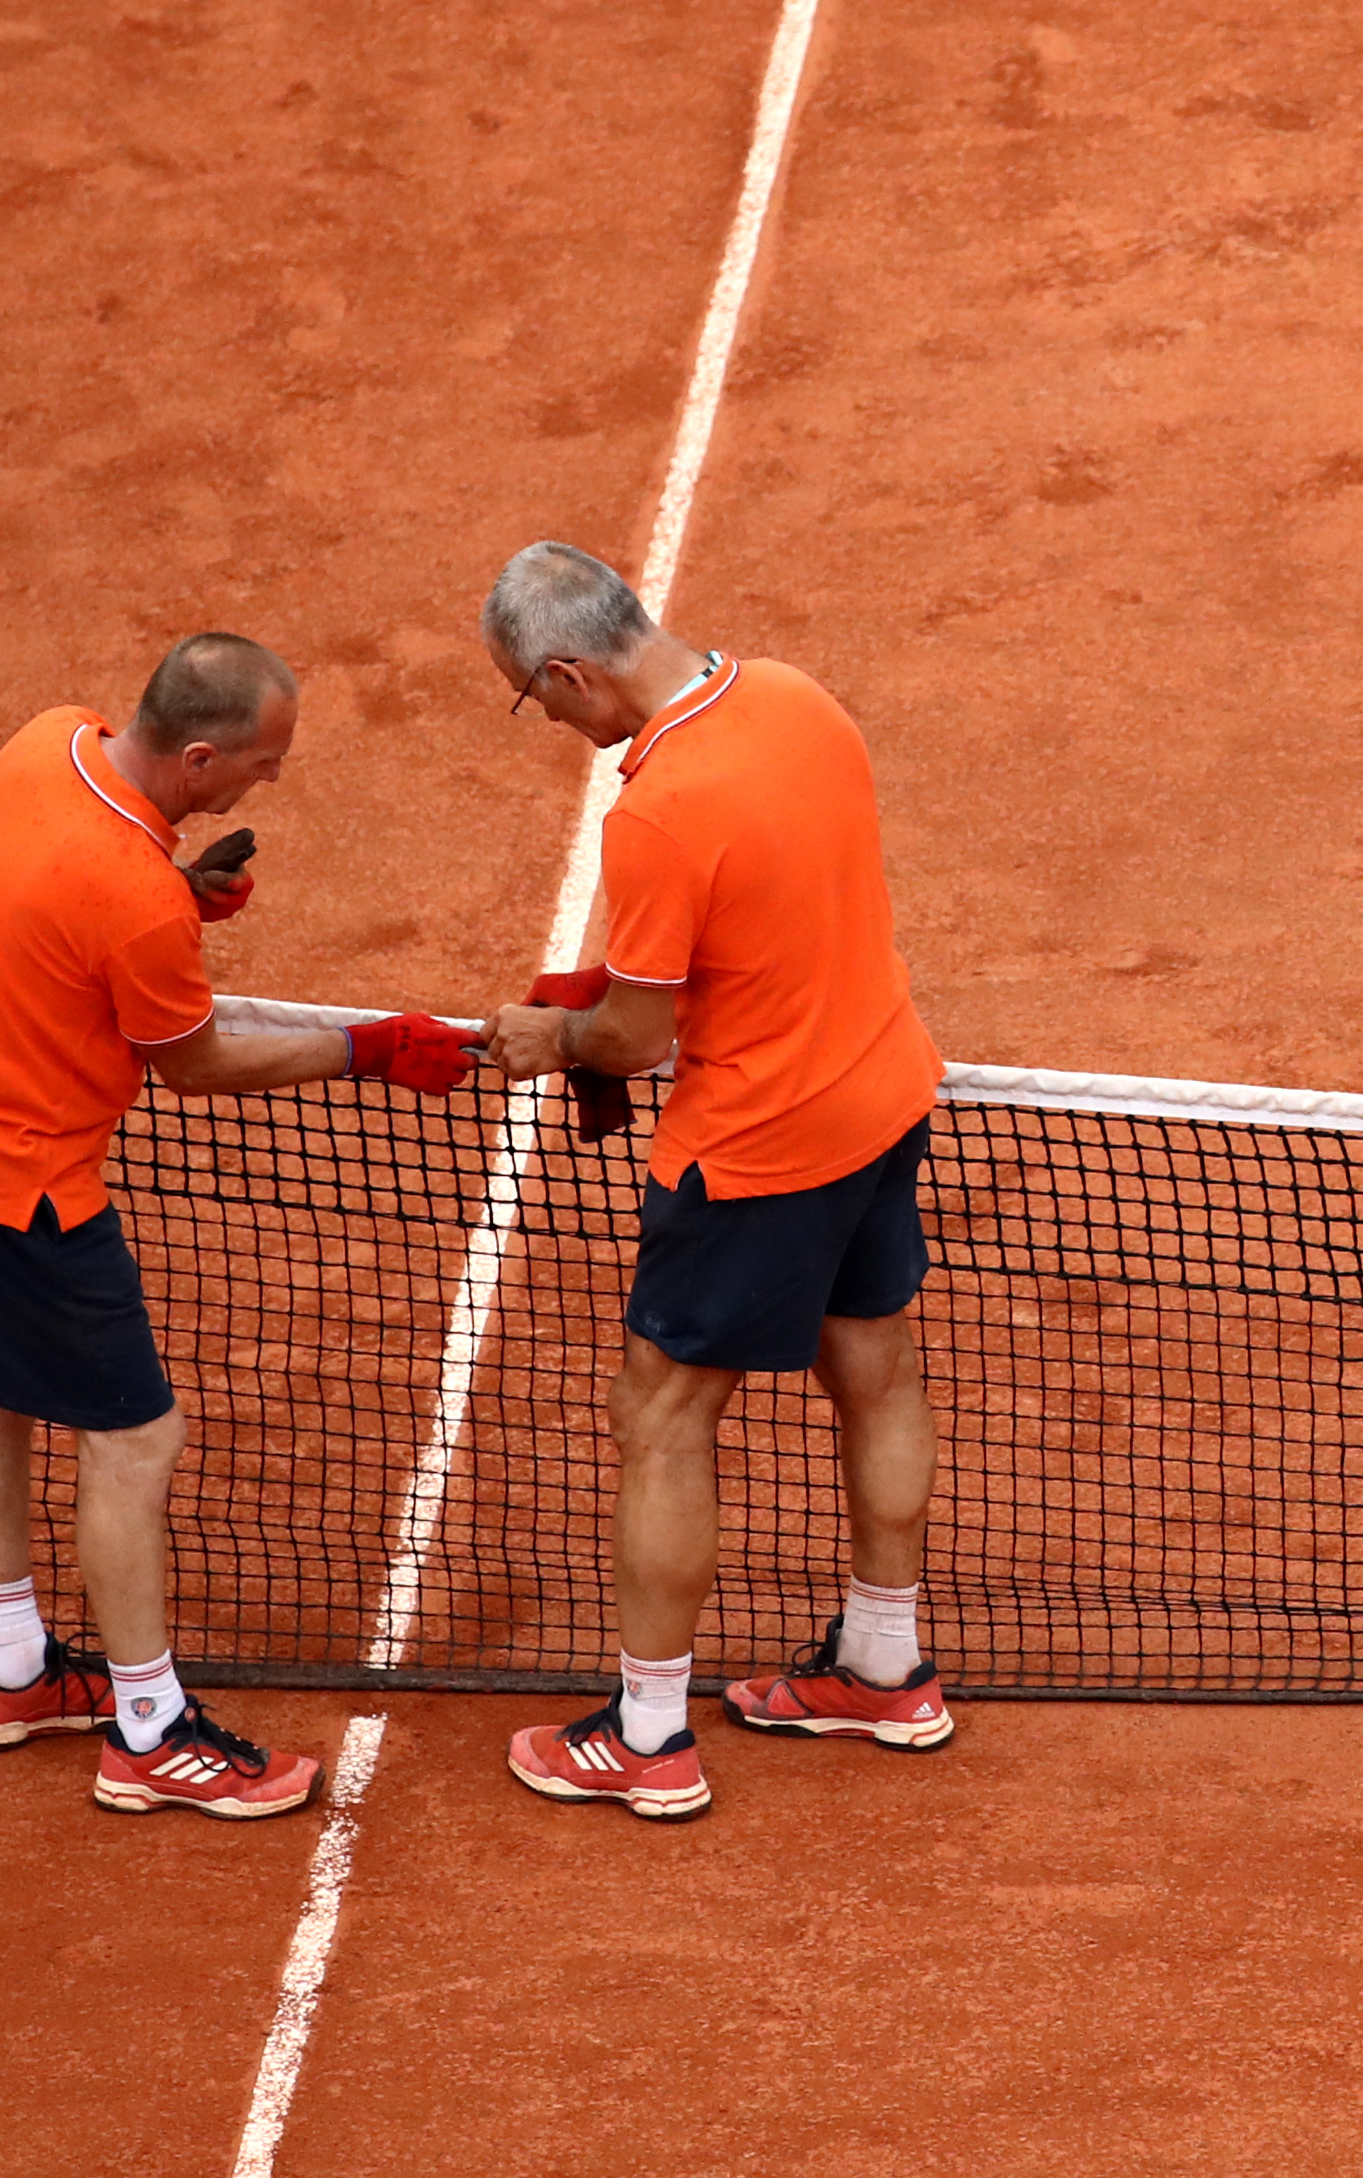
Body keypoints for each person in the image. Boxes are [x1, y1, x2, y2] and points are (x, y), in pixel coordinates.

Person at [0, 631, 476, 1820]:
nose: (266, 781)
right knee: (137, 1438)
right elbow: (194, 1062)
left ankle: (11, 1672)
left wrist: (179, 888)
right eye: (259, 763)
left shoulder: (43, 741)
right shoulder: (133, 898)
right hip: (27, 1189)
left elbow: (60, 905)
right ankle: (148, 1731)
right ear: (198, 754)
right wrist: (367, 1047)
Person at [475, 542, 952, 1822]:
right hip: (882, 1092)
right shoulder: (799, 697)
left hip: (759, 1154)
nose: (553, 720)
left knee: (663, 1419)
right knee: (881, 1373)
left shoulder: (661, 808)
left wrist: (552, 1036)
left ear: (569, 671)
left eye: (537, 699)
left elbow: (634, 1036)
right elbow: (776, 918)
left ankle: (644, 1733)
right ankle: (884, 1662)